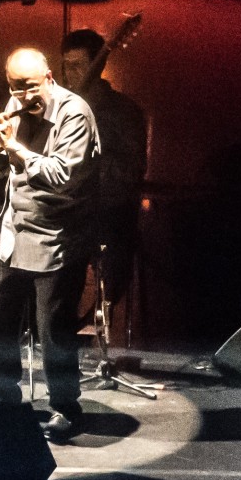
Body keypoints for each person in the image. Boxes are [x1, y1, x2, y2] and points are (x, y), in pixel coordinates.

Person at [0, 45, 101, 442]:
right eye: (15, 88)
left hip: (57, 237)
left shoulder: (74, 114)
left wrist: (14, 148)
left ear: (50, 80)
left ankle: (65, 406)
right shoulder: (16, 104)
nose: (23, 97)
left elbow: (61, 176)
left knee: (52, 328)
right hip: (16, 231)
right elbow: (4, 171)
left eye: (31, 87)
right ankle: (1, 396)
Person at [61, 28, 147, 316]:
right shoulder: (59, 110)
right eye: (66, 65)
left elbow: (130, 172)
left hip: (106, 216)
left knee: (106, 289)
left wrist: (87, 162)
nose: (71, 73)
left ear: (97, 65)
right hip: (69, 218)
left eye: (78, 66)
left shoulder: (123, 112)